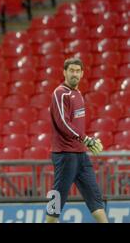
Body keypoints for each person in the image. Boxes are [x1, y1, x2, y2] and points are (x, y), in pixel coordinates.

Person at [45, 57, 107, 223]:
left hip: (80, 154)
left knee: (95, 197)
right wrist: (86, 139)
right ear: (64, 72)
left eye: (77, 71)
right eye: (71, 70)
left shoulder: (77, 93)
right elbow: (63, 123)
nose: (74, 74)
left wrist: (84, 142)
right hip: (65, 155)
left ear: (82, 74)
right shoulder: (60, 93)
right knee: (57, 198)